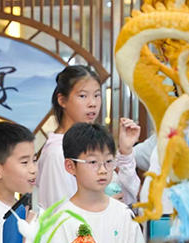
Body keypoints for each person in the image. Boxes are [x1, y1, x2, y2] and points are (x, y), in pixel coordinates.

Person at [36, 65, 141, 209]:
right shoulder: (56, 153)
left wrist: (125, 151)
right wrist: (104, 205)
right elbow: (60, 213)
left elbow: (129, 197)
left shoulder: (94, 141)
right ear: (62, 100)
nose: (92, 103)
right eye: (83, 96)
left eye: (97, 95)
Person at [53, 123, 145, 243]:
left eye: (108, 161)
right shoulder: (61, 220)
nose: (103, 170)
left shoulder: (124, 214)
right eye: (93, 162)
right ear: (70, 166)